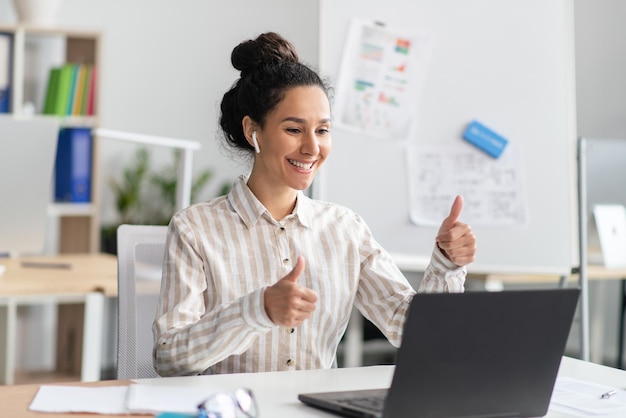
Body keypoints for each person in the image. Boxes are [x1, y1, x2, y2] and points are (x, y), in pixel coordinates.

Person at [153, 32, 476, 377]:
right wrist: (256, 310)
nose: (312, 148)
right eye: (294, 130)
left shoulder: (344, 228)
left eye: (322, 131)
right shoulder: (195, 229)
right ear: (253, 132)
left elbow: (414, 333)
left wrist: (446, 264)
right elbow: (169, 359)